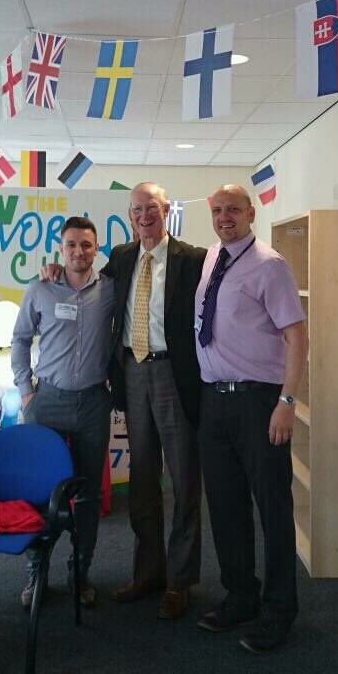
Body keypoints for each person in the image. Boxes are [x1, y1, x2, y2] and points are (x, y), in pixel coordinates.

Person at [195, 184, 307, 653]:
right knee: (224, 506)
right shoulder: (211, 259)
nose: (225, 217)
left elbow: (297, 338)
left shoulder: (270, 265)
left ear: (251, 212)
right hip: (215, 402)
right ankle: (241, 594)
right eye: (218, 210)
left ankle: (279, 610)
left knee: (272, 507)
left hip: (260, 402)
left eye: (233, 210)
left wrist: (287, 402)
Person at [106, 182, 206, 619]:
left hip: (174, 373)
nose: (144, 216)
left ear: (167, 210)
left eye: (152, 208)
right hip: (132, 372)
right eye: (136, 209)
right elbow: (87, 288)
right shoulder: (121, 257)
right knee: (142, 479)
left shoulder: (194, 260)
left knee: (183, 479)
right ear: (129, 215)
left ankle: (180, 582)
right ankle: (149, 572)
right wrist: (54, 273)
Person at [11, 216, 114, 609]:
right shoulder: (40, 289)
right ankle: (37, 573)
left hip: (92, 403)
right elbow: (20, 340)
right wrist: (25, 392)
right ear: (61, 248)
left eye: (86, 245)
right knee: (40, 492)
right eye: (71, 244)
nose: (78, 252)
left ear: (96, 247)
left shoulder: (110, 290)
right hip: (47, 402)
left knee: (87, 494)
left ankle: (80, 574)